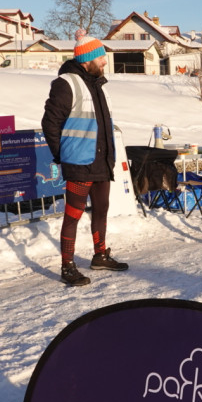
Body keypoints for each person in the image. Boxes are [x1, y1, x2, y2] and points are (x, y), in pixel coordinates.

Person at [42, 29, 129, 286]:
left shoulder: (99, 85)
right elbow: (50, 124)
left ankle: (100, 254)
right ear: (87, 59)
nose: (105, 62)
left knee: (101, 210)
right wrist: (63, 155)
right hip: (79, 164)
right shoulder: (66, 84)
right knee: (73, 215)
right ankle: (67, 265)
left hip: (101, 162)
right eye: (101, 58)